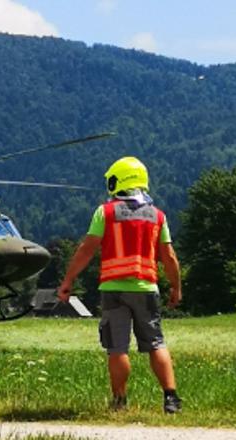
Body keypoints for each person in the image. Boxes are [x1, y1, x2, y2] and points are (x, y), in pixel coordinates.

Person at [58, 156, 183, 414]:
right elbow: (169, 256)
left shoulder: (105, 212)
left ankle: (119, 402)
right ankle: (171, 398)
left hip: (113, 290)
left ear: (119, 181)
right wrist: (176, 287)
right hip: (146, 289)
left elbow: (86, 249)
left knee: (117, 348)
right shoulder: (158, 216)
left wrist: (68, 280)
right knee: (156, 343)